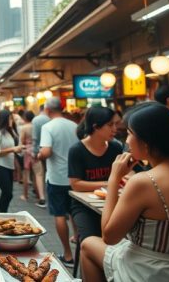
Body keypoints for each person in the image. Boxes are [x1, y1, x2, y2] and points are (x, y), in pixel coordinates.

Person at [79, 102, 169, 282]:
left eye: (129, 134)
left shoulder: (144, 181)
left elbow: (109, 236)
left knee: (88, 244)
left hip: (145, 272)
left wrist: (114, 178)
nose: (127, 141)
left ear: (146, 142)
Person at [68, 107, 124, 248]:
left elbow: (127, 173)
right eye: (110, 125)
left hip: (111, 203)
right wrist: (110, 182)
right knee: (90, 242)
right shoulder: (77, 150)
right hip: (83, 207)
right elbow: (76, 184)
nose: (115, 129)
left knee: (121, 241)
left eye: (116, 124)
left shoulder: (115, 148)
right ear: (96, 127)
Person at [37, 97, 79, 268]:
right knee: (75, 213)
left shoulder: (48, 127)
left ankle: (68, 255)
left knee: (60, 214)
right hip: (75, 177)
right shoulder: (74, 126)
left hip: (56, 178)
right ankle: (79, 242)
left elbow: (46, 151)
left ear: (47, 110)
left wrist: (39, 155)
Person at [0, 110, 23, 212]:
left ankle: (3, 214)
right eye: (10, 118)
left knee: (8, 194)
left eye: (12, 118)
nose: (12, 120)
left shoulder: (11, 132)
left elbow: (14, 148)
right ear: (4, 119)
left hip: (9, 166)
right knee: (7, 193)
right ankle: (1, 215)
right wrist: (12, 149)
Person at [31, 104, 49, 209]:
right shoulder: (51, 119)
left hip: (39, 150)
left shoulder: (36, 120)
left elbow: (35, 138)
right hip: (51, 151)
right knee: (48, 173)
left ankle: (42, 197)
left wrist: (34, 152)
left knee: (39, 174)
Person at [19, 110, 38, 202]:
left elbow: (22, 141)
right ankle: (38, 195)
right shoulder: (35, 126)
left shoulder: (24, 127)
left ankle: (25, 195)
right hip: (35, 150)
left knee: (26, 173)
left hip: (27, 151)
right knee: (36, 174)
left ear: (25, 118)